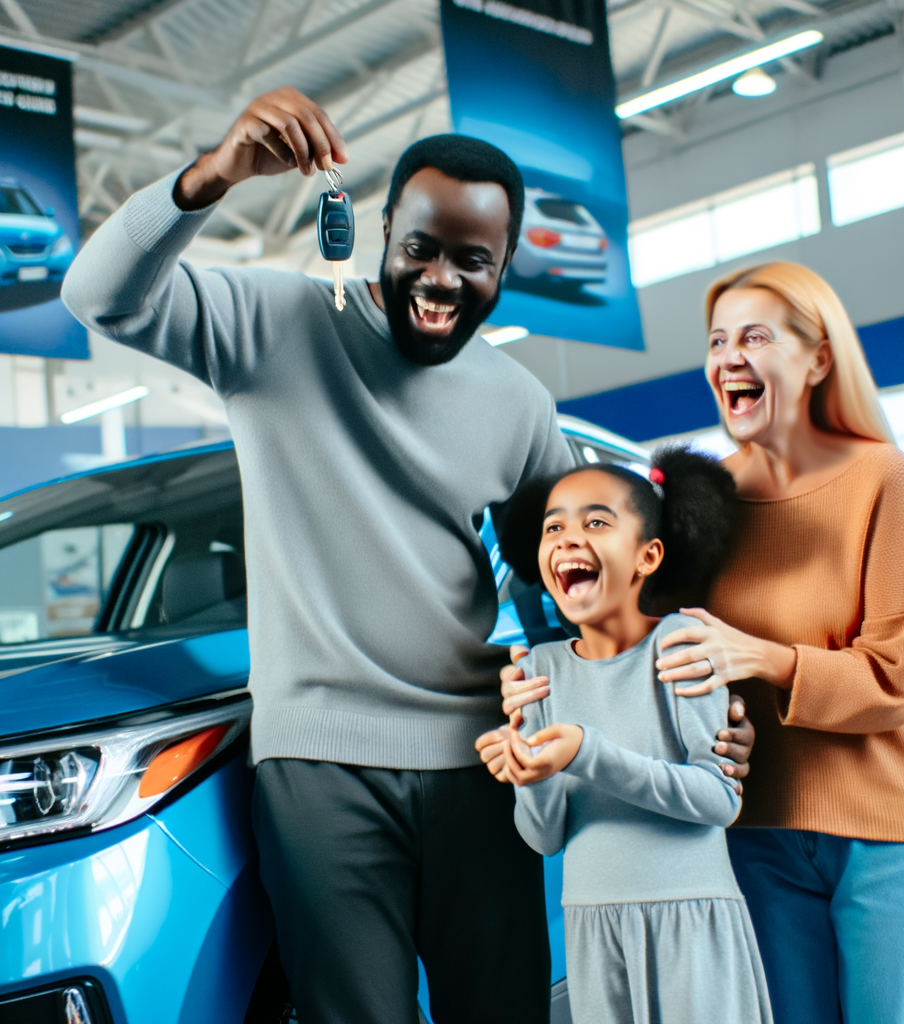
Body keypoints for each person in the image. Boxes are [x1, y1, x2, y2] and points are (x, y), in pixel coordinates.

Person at [62, 86, 574, 1024]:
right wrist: (214, 175)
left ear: (505, 267)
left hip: (484, 766)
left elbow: (579, 580)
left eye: (475, 260)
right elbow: (96, 296)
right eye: (420, 248)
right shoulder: (278, 327)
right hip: (318, 771)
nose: (442, 279)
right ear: (381, 231)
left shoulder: (519, 403)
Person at [643, 263, 904, 1023]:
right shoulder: (703, 498)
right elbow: (647, 647)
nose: (728, 358)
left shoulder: (882, 477)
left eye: (755, 336)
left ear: (818, 358)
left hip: (886, 830)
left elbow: (897, 676)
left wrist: (764, 657)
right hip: (759, 830)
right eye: (717, 341)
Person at [495, 449, 773, 1024]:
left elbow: (719, 799)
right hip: (591, 927)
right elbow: (543, 836)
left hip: (690, 918)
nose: (570, 539)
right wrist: (529, 774)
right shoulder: (537, 669)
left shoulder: (681, 640)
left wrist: (587, 752)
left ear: (648, 556)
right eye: (555, 527)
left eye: (596, 522)